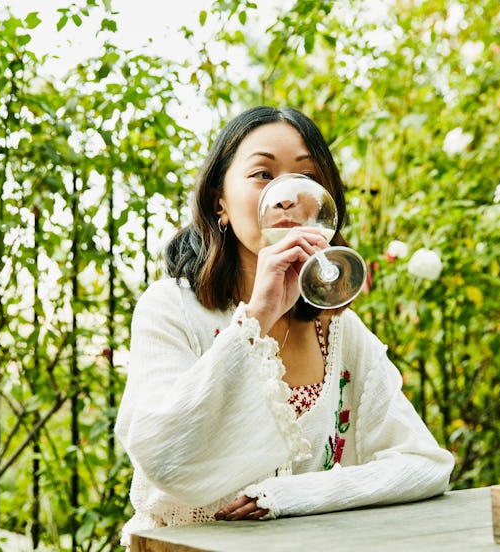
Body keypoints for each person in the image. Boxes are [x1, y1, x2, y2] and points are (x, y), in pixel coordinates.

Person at [114, 106, 454, 544]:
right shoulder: (172, 309)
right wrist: (256, 317)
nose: (288, 195)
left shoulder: (340, 331)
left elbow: (425, 464)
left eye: (307, 178)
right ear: (220, 200)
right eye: (262, 174)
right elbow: (164, 455)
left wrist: (289, 495)